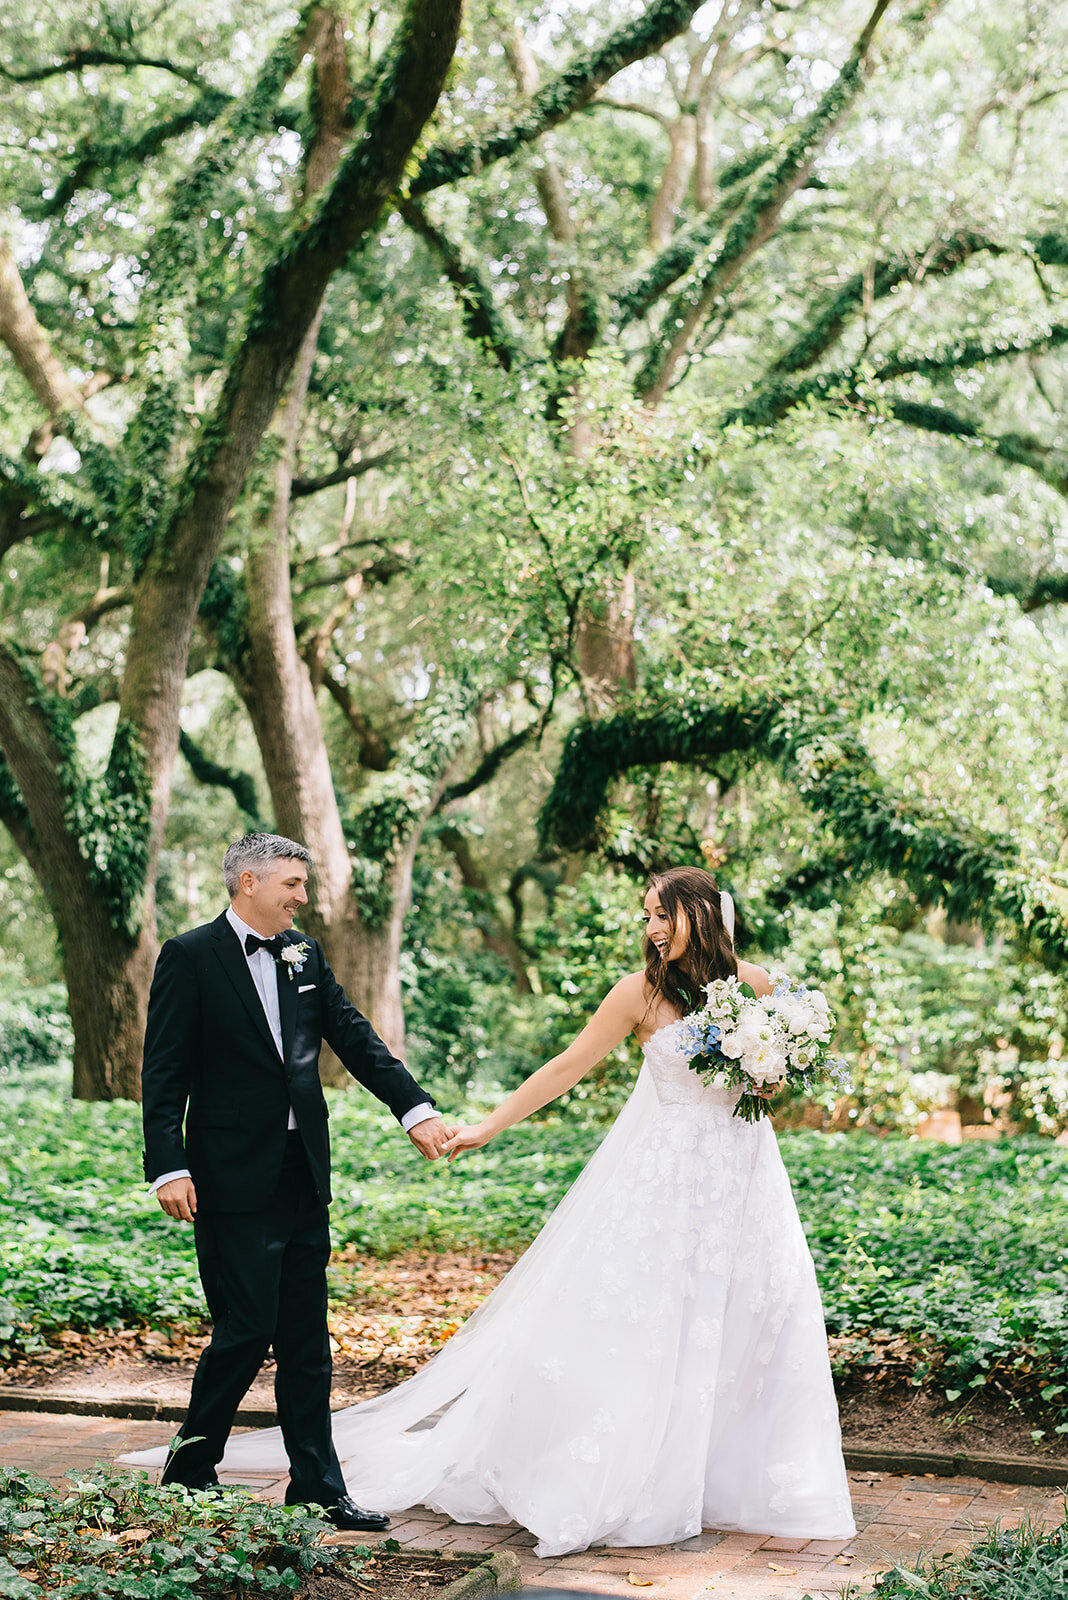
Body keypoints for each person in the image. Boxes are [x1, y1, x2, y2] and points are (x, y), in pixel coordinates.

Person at [132, 864, 855, 1557]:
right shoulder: (637, 992)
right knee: (655, 1319)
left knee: (752, 1316)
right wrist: (483, 1125)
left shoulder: (757, 987)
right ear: (249, 883)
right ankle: (200, 1469)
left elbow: (784, 1070)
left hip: (745, 1178)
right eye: (646, 914)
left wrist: (768, 1064)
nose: (650, 926)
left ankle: (722, 1479)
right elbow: (566, 1067)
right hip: (665, 1181)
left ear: (697, 913)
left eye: (659, 913)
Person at [135, 832, 453, 1532]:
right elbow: (164, 1071)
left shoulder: (303, 953)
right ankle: (190, 1468)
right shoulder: (189, 957)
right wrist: (168, 1164)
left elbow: (353, 1034)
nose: (302, 898)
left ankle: (316, 1486)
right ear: (248, 882)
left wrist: (415, 1109)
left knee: (308, 1343)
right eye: (291, 885)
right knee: (245, 1330)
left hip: (302, 1172)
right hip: (227, 1177)